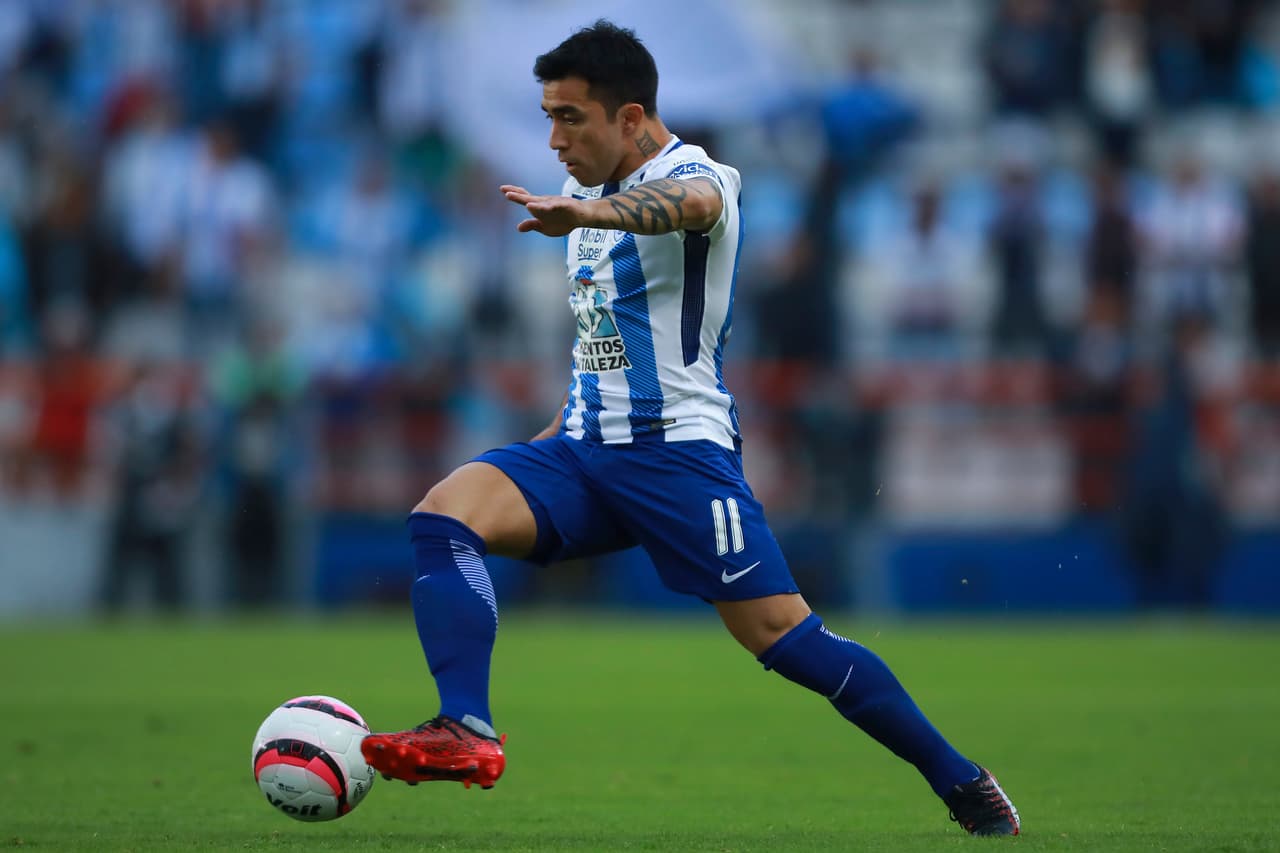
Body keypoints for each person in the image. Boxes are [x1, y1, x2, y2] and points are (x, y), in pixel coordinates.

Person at [360, 20, 1020, 837]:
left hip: (678, 456)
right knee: (445, 513)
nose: (555, 139)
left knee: (785, 638)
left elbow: (693, 204)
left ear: (631, 118)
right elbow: (601, 354)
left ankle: (959, 778)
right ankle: (466, 727)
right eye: (548, 118)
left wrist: (588, 211)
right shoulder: (590, 208)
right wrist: (545, 444)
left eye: (572, 118)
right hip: (581, 448)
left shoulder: (697, 174)